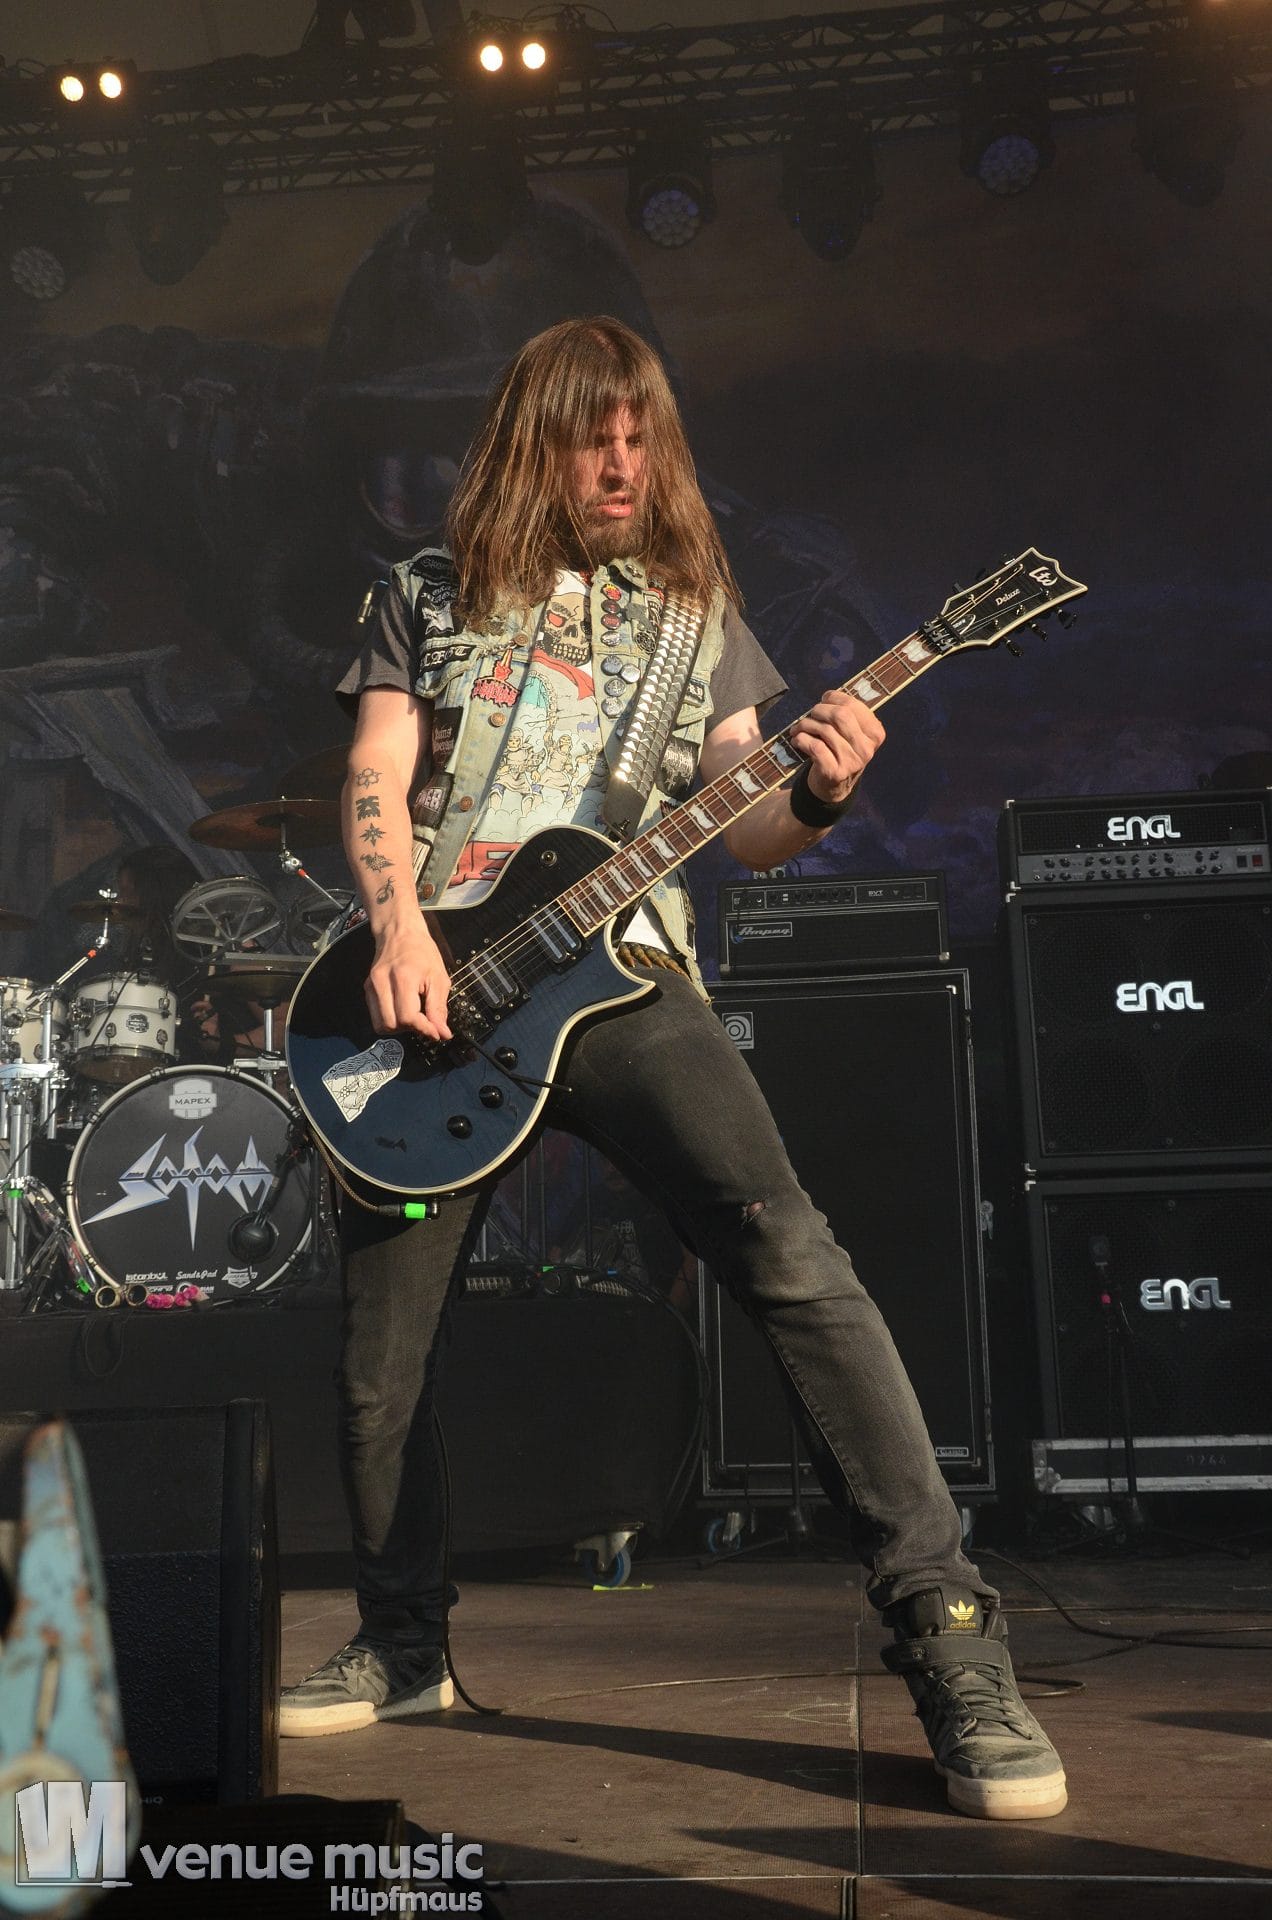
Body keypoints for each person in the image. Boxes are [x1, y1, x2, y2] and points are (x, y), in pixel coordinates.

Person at [279, 316, 1067, 1822]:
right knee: (381, 1359)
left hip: (626, 979)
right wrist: (397, 925)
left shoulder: (695, 614)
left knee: (795, 1260)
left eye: (644, 437)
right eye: (596, 436)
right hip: (436, 995)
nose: (624, 463)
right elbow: (376, 769)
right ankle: (399, 1641)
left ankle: (955, 1638)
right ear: (536, 444)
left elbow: (742, 817)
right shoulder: (422, 593)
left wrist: (818, 792)